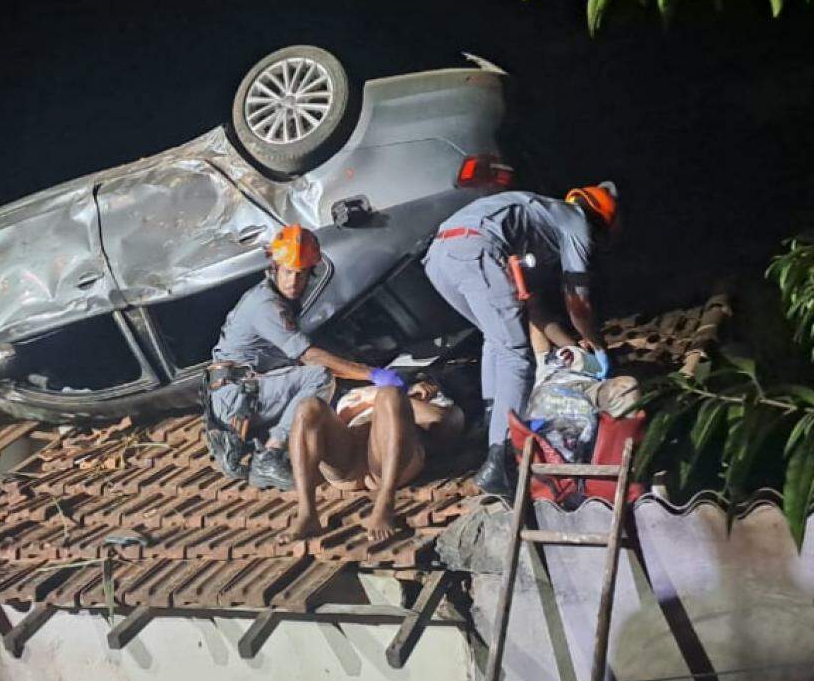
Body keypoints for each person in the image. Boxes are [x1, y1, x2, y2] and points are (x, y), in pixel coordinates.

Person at [422, 182, 620, 496]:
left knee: (498, 338)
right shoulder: (576, 222)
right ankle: (501, 461)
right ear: (599, 221)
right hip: (474, 249)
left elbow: (531, 309)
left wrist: (569, 345)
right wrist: (598, 346)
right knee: (516, 355)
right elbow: (578, 303)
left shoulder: (537, 220)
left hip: (439, 258)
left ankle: (492, 423)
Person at [205, 225, 404, 490]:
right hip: (238, 398)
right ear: (274, 268)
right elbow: (310, 356)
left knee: (324, 382)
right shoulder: (265, 305)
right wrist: (371, 374)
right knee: (320, 376)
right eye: (288, 273)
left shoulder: (283, 301)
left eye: (301, 274)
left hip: (252, 389)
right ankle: (271, 455)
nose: (294, 282)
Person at [280, 379, 465, 543]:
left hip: (386, 463)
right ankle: (306, 513)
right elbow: (339, 419)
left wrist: (406, 399)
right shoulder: (351, 392)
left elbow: (444, 422)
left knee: (390, 394)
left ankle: (385, 502)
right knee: (308, 407)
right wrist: (372, 396)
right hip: (349, 460)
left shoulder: (428, 397)